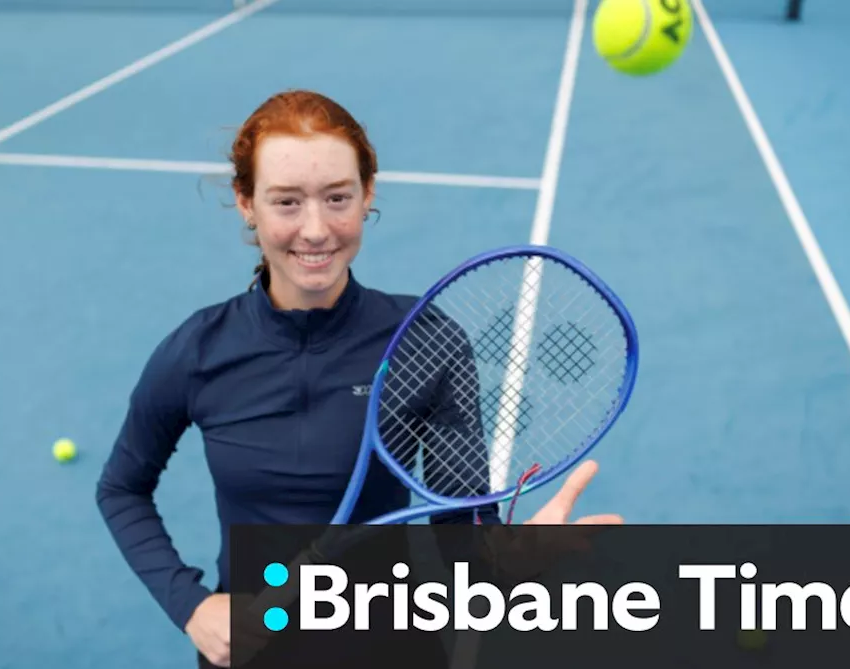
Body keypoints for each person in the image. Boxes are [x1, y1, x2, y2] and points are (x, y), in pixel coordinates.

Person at [95, 89, 623, 668]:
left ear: (367, 193)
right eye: (287, 202)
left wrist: (509, 563)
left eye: (337, 197)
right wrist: (192, 607)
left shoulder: (426, 341)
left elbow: (459, 526)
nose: (317, 230)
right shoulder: (198, 351)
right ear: (247, 202)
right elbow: (122, 487)